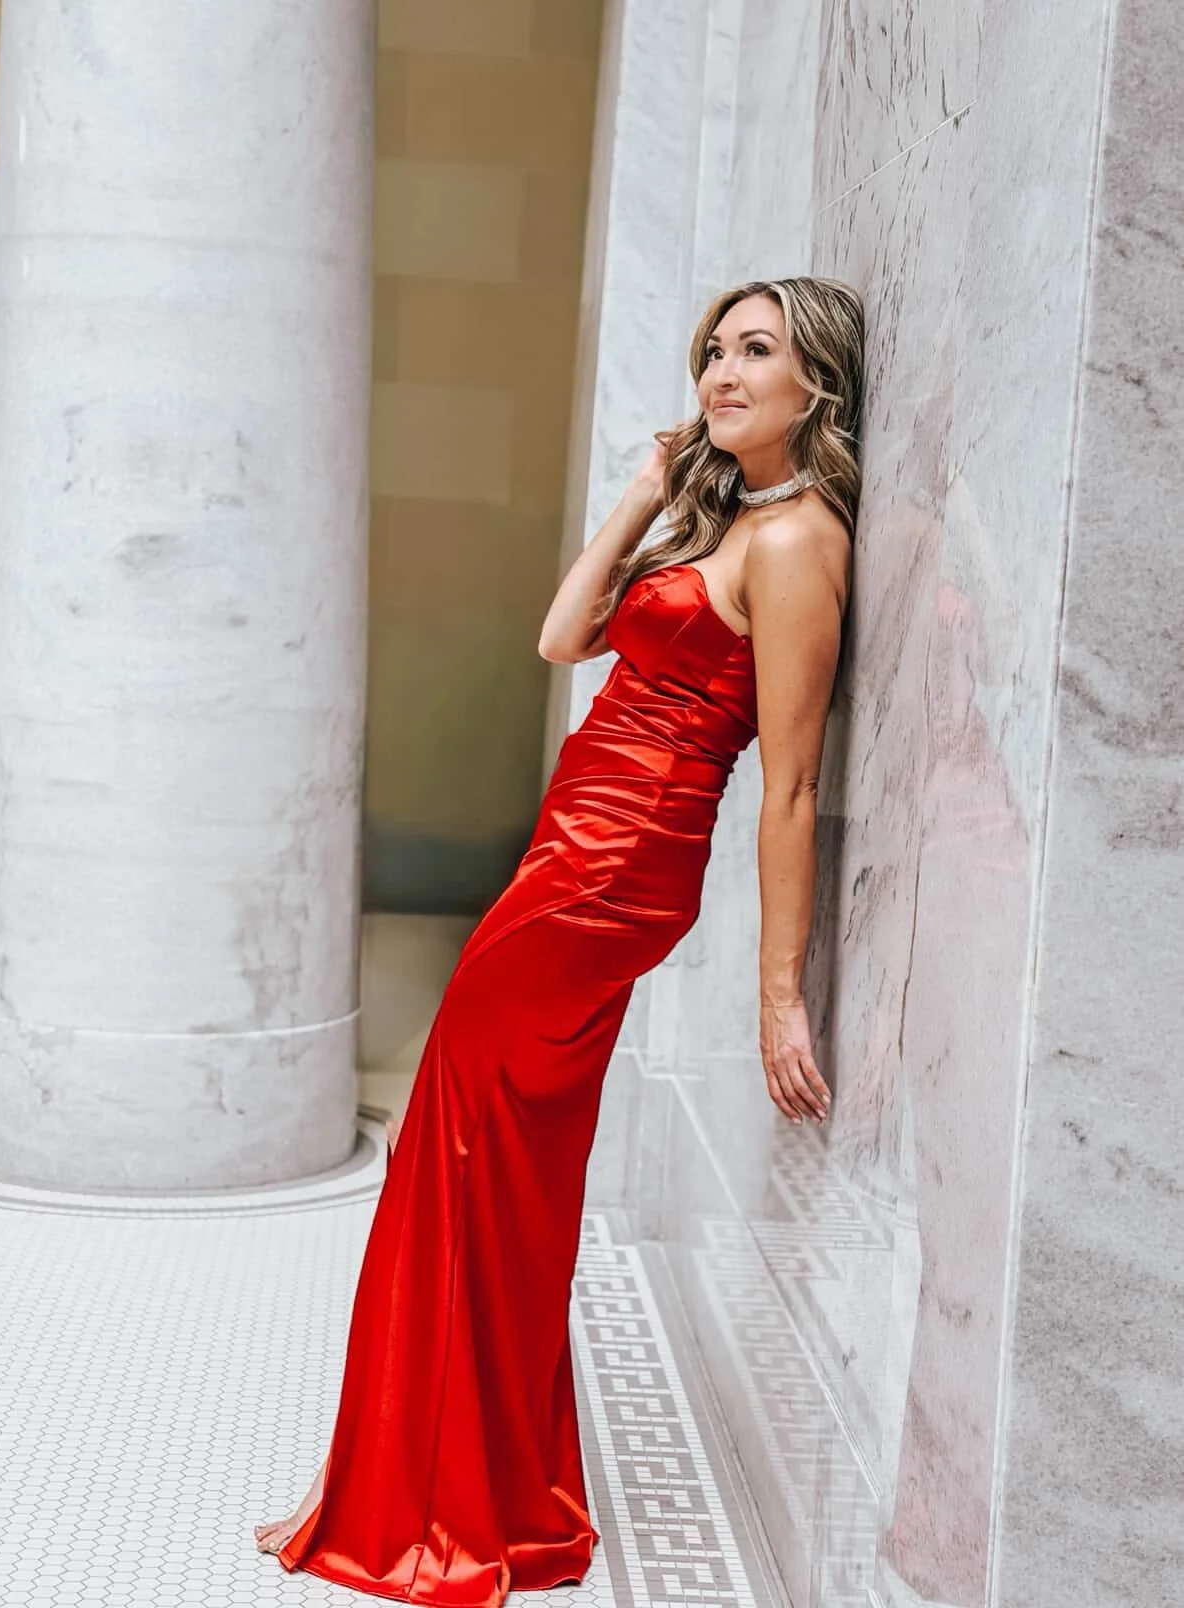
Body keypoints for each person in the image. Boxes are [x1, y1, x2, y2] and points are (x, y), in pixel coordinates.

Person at [254, 275, 864, 1605]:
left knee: (460, 1148)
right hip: (570, 844)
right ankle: (449, 1486)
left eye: (754, 351)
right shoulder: (729, 517)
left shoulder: (798, 542)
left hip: (619, 865)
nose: (721, 369)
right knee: (485, 1163)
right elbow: (559, 636)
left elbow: (795, 788)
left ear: (814, 380)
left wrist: (779, 998)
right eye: (713, 347)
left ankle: (432, 1497)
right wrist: (643, 496)